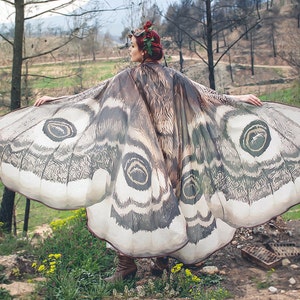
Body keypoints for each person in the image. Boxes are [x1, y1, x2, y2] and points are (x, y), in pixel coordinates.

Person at [1, 21, 299, 283]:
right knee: (139, 203)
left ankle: (153, 261)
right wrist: (57, 100)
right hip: (151, 153)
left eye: (131, 46)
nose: (128, 50)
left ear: (143, 51)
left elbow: (207, 95)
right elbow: (93, 94)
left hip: (163, 155)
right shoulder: (156, 78)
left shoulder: (151, 78)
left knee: (150, 204)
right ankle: (129, 264)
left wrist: (239, 99)